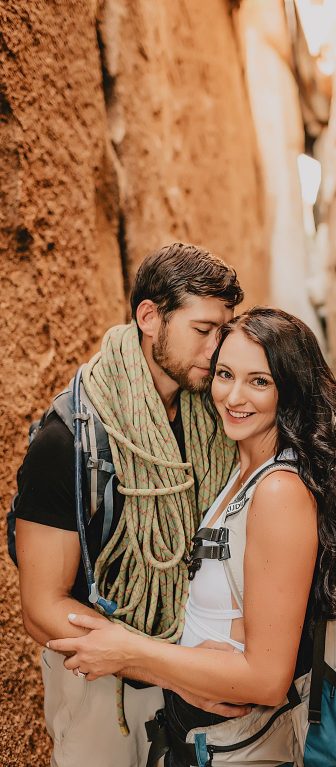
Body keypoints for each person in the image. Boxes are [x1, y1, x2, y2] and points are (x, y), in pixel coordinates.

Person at [48, 307, 336, 767]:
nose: (233, 396)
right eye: (225, 374)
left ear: (291, 390)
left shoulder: (279, 491)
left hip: (239, 744)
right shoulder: (242, 467)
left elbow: (265, 678)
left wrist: (129, 652)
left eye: (259, 381)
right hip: (204, 730)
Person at [14, 243, 243, 766]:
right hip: (98, 684)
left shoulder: (210, 419)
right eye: (202, 330)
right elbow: (40, 607)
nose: (216, 349)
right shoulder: (70, 439)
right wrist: (163, 665)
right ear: (149, 317)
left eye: (222, 333)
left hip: (188, 661)